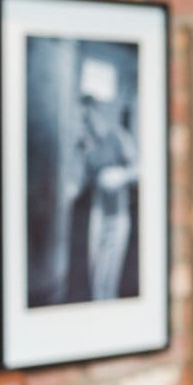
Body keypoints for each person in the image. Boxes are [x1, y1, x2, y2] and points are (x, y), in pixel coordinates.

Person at [65, 56, 140, 303]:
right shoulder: (84, 145)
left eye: (90, 115)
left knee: (113, 268)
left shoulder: (118, 138)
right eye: (84, 117)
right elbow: (78, 180)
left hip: (118, 213)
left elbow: (140, 168)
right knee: (95, 269)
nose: (87, 121)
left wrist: (121, 176)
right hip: (96, 213)